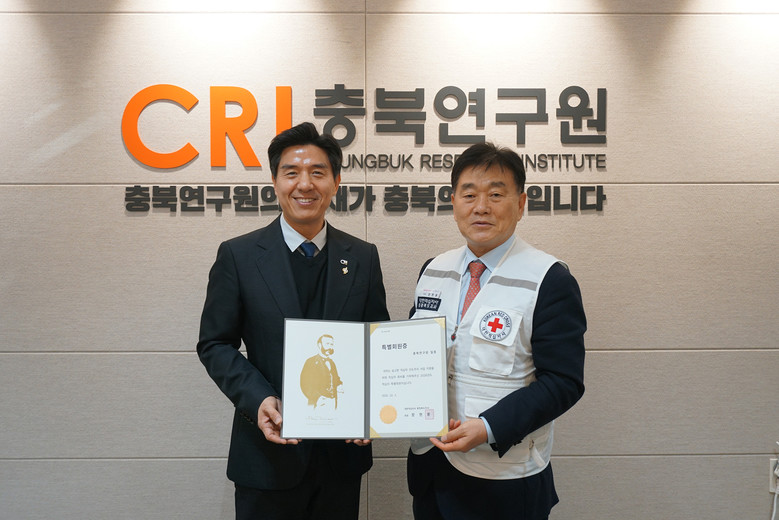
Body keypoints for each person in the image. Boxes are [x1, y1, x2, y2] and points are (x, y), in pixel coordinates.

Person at [197, 122, 390, 520]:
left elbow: (379, 342)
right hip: (267, 452)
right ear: (275, 181)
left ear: (336, 182)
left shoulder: (363, 257)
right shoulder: (239, 256)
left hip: (342, 455)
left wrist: (373, 405)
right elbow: (215, 343)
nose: (305, 184)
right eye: (292, 173)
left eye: (318, 172)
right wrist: (258, 399)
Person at [407, 142, 586, 519]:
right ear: (453, 202)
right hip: (431, 468)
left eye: (495, 194)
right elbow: (411, 354)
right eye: (469, 194)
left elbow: (563, 381)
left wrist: (489, 426)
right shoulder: (433, 270)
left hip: (504, 478)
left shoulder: (548, 279)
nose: (481, 207)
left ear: (520, 204)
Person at [300, 334, 343, 409]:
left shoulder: (332, 362)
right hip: (317, 403)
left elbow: (336, 379)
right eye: (327, 344)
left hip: (332, 402)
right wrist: (317, 397)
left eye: (331, 344)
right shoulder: (311, 361)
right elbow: (305, 384)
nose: (330, 347)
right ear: (319, 345)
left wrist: (340, 385)